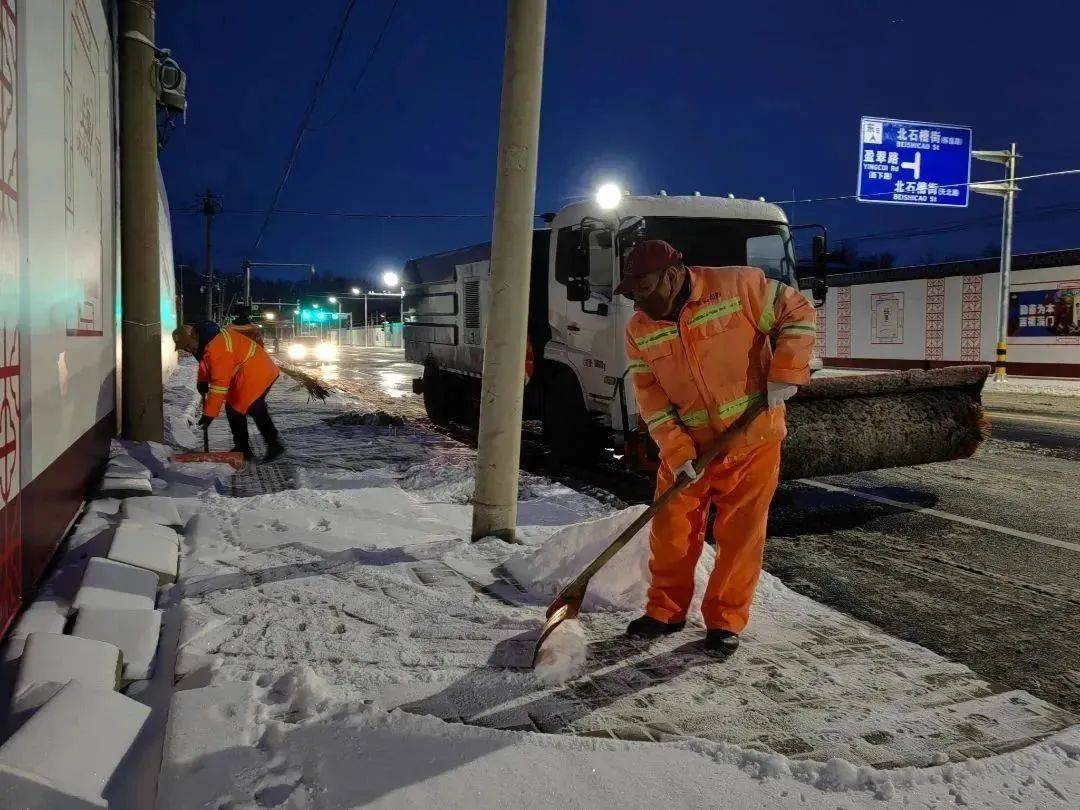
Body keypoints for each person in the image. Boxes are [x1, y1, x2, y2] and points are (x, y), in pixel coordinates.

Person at [615, 240, 815, 656]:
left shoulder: (739, 286)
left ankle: (725, 621)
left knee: (740, 537)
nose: (639, 299)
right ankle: (665, 612)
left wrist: (786, 371)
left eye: (645, 287)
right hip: (688, 449)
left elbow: (797, 311)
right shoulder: (639, 329)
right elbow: (650, 398)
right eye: (632, 291)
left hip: (752, 440)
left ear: (672, 275)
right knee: (671, 534)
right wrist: (677, 452)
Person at [172, 321, 285, 463]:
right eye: (185, 348)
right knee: (235, 408)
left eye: (188, 345)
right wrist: (202, 380)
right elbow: (205, 364)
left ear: (194, 336)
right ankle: (243, 449)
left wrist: (209, 414)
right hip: (245, 371)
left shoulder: (217, 347)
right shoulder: (205, 342)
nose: (189, 350)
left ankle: (273, 445)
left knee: (252, 407)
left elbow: (219, 386)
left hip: (257, 371)